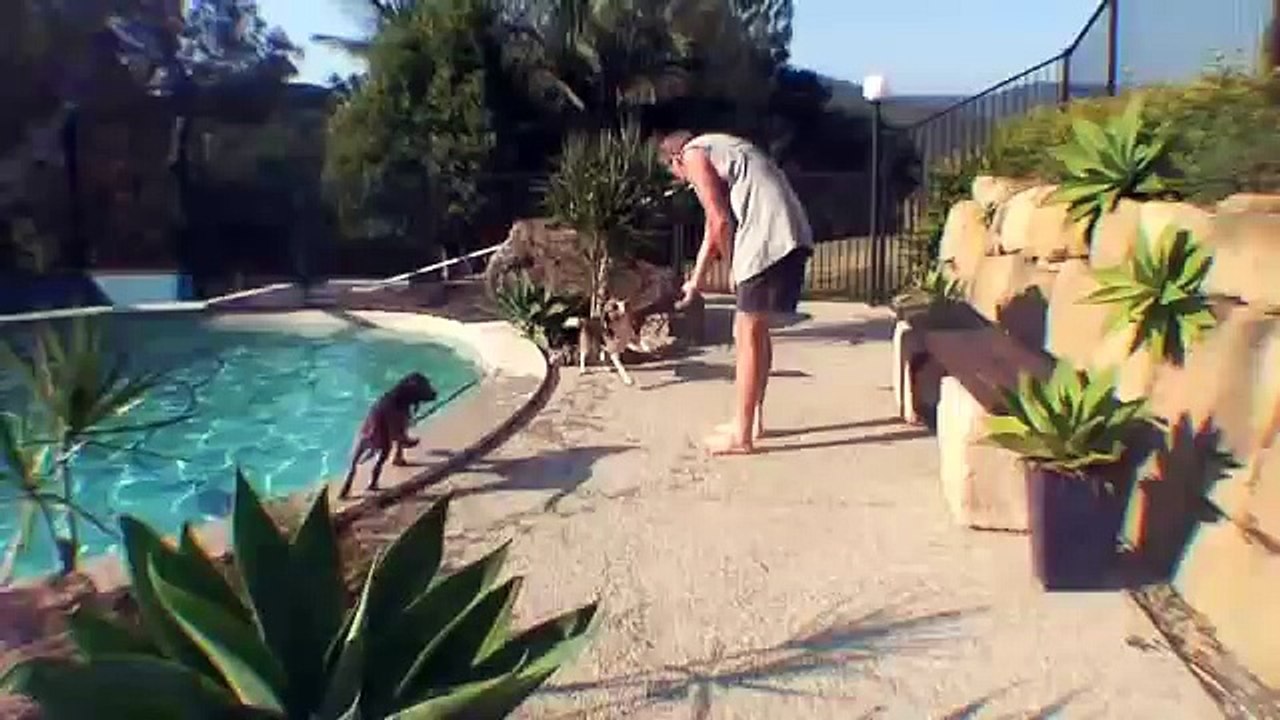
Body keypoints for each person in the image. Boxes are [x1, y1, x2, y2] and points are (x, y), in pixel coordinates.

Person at [659, 130, 813, 455]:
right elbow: (714, 225)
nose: (683, 182)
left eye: (675, 176)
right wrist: (699, 279)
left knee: (746, 333)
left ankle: (742, 436)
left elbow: (719, 222)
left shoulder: (693, 154)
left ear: (675, 159)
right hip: (787, 232)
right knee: (755, 332)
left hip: (769, 237)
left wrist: (725, 270)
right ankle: (752, 422)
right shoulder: (720, 147)